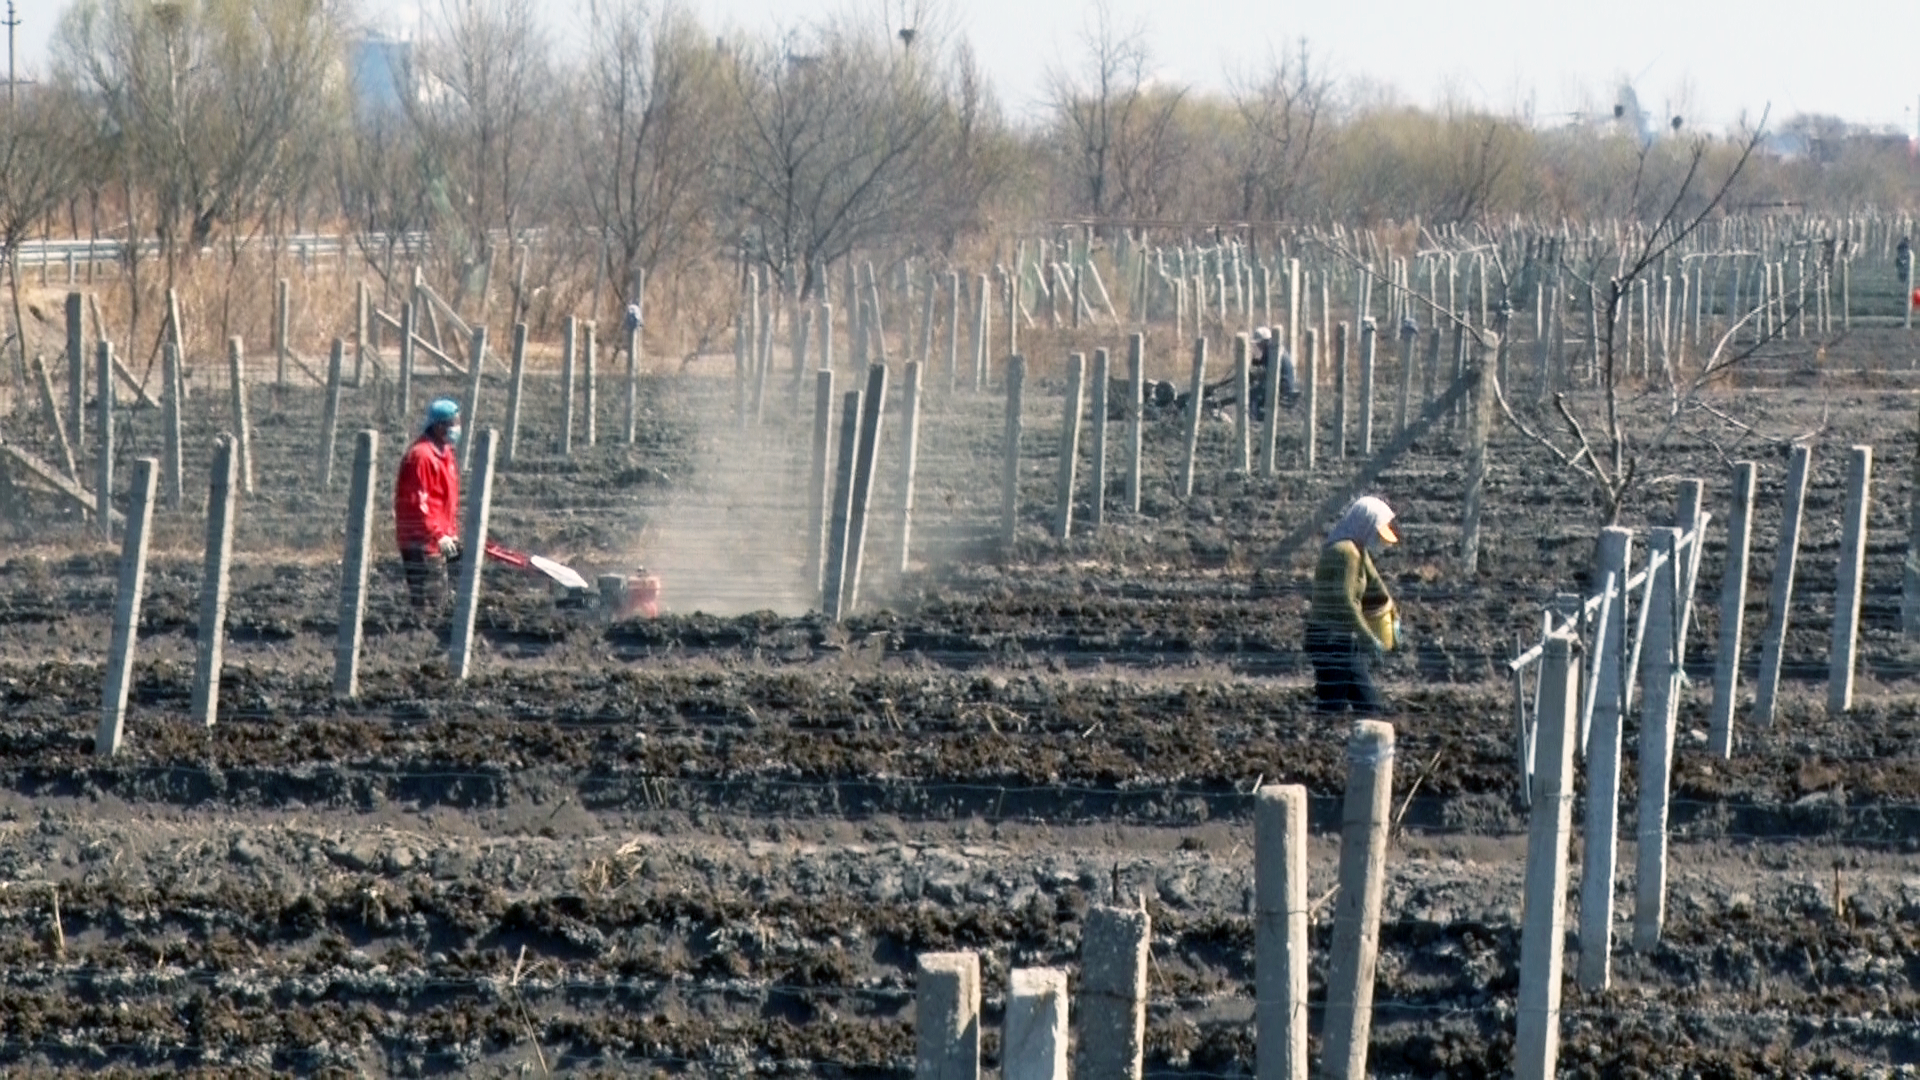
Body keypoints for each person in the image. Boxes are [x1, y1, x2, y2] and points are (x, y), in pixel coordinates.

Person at [1305, 495, 1399, 714]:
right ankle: (1319, 744)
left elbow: (1376, 585)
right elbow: (1345, 601)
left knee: (1369, 707)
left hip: (1345, 640)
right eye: (1377, 532)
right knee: (1332, 707)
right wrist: (1369, 639)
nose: (1380, 540)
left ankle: (1364, 744)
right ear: (1364, 524)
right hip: (1328, 640)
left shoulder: (1359, 550)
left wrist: (1392, 616)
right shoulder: (1345, 553)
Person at [394, 398, 463, 612]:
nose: (457, 428)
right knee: (428, 602)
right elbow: (418, 504)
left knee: (440, 596)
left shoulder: (446, 454)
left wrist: (450, 532)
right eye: (454, 423)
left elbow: (443, 500)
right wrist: (437, 534)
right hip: (420, 541)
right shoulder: (420, 457)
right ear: (439, 426)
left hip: (440, 539)